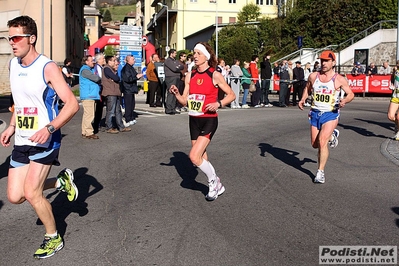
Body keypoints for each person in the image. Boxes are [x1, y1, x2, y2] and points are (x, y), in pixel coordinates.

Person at [1, 15, 79, 259]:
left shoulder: (47, 67)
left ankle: (53, 237)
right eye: (8, 37)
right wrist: (12, 126)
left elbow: (71, 104)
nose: (11, 42)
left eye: (16, 37)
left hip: (46, 139)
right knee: (15, 196)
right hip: (22, 139)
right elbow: (20, 102)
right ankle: (60, 182)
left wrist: (50, 128)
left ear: (31, 38)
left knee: (33, 193)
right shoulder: (13, 65)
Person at [169, 42, 235, 201]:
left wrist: (218, 104)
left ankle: (214, 182)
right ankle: (216, 183)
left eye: (198, 53)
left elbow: (231, 95)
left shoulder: (215, 75)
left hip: (209, 120)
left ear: (206, 56)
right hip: (194, 120)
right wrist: (177, 94)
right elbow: (184, 101)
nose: (195, 56)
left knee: (193, 157)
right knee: (201, 156)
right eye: (194, 53)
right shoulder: (190, 75)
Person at [298, 50, 354, 184]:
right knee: (314, 144)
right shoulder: (313, 76)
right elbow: (308, 87)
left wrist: (344, 101)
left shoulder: (339, 79)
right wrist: (302, 99)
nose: (323, 63)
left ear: (333, 63)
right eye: (322, 61)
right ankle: (332, 135)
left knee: (322, 142)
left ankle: (320, 172)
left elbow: (350, 94)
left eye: (327, 61)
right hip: (315, 113)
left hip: (330, 114)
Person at [102, 56, 131, 133]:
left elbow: (117, 78)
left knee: (118, 111)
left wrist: (115, 75)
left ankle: (121, 126)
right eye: (113, 61)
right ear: (109, 61)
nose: (115, 62)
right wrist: (114, 76)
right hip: (110, 92)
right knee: (111, 111)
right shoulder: (107, 69)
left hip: (115, 92)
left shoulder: (112, 69)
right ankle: (109, 127)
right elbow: (116, 78)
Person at [79, 55, 101, 139]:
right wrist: (99, 77)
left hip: (89, 95)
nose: (94, 62)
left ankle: (84, 131)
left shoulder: (88, 69)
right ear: (86, 61)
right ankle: (89, 132)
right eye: (92, 60)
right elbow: (96, 78)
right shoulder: (85, 70)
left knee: (87, 114)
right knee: (90, 115)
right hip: (88, 95)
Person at [121, 55, 143, 125]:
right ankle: (128, 119)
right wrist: (136, 77)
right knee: (128, 105)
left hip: (131, 89)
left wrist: (138, 76)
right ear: (128, 60)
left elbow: (134, 76)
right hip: (127, 89)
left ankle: (131, 117)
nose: (134, 60)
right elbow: (128, 79)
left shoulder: (131, 68)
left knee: (132, 104)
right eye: (133, 59)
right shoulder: (126, 69)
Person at [164, 49, 184, 115]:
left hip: (176, 78)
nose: (176, 54)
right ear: (171, 54)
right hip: (170, 78)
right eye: (175, 53)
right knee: (171, 92)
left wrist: (178, 67)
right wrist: (177, 67)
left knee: (175, 93)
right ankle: (169, 109)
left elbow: (182, 66)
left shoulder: (175, 61)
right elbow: (174, 68)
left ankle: (173, 108)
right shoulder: (168, 61)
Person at [93, 53, 106, 133]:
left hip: (100, 90)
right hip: (99, 91)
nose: (104, 60)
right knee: (98, 108)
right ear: (98, 60)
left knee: (99, 108)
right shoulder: (98, 68)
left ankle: (97, 124)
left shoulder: (101, 67)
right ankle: (96, 125)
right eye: (103, 59)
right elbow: (100, 79)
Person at [387, 60, 399, 140]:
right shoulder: (395, 70)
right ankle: (397, 126)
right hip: (396, 95)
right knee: (390, 116)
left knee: (398, 117)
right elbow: (392, 79)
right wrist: (391, 85)